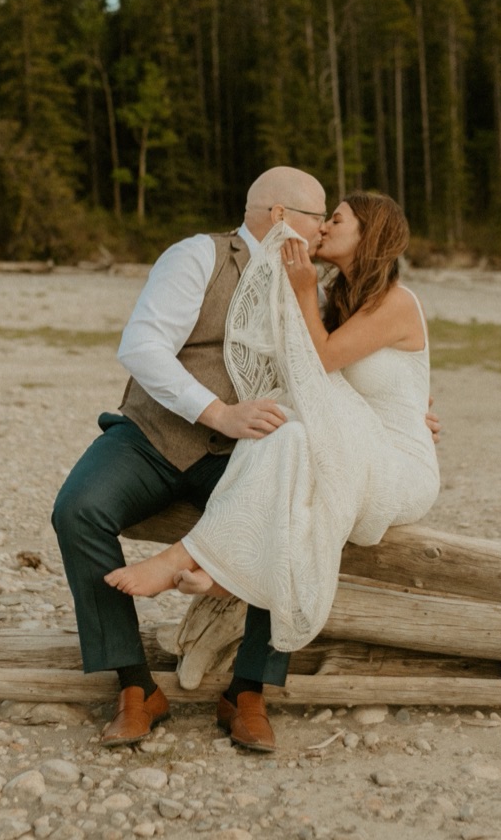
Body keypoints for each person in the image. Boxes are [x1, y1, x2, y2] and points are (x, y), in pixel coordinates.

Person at [105, 192, 441, 710]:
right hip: (355, 446)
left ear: (369, 234)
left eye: (337, 220)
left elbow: (322, 363)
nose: (324, 228)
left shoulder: (396, 301)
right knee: (286, 432)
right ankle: (222, 572)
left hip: (398, 464)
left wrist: (303, 288)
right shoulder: (339, 300)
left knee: (295, 426)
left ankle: (191, 557)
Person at [51, 166, 331, 753]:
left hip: (246, 456)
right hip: (155, 437)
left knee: (290, 511)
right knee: (79, 508)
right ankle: (134, 685)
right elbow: (142, 346)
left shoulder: (309, 283)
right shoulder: (197, 256)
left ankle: (248, 689)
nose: (324, 230)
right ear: (279, 217)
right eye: (316, 217)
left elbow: (332, 370)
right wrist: (218, 413)